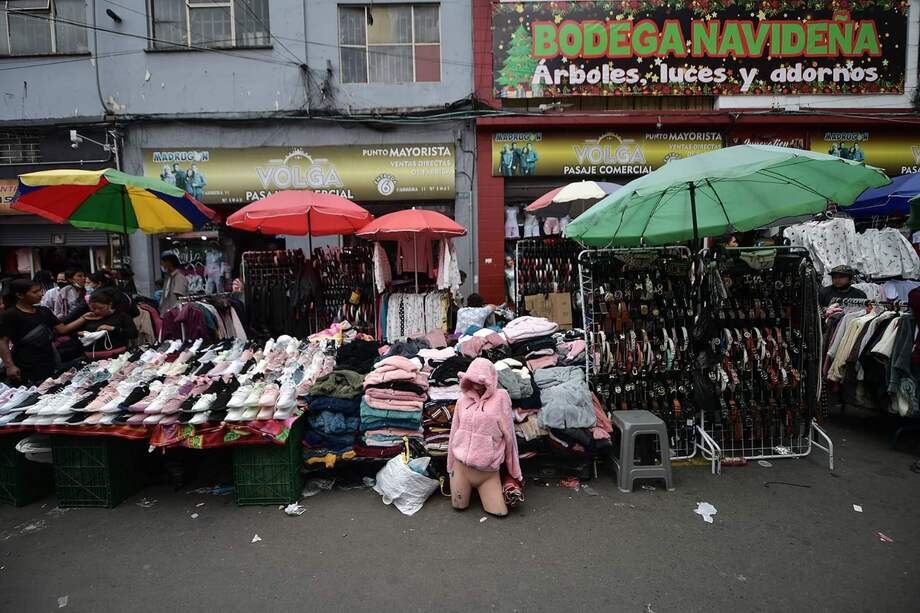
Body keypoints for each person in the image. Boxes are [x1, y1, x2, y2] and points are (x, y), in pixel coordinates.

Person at [0, 279, 96, 384]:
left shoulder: (44, 311)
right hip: (25, 362)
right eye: (35, 292)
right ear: (20, 295)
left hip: (49, 358)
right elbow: (3, 341)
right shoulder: (11, 315)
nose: (40, 294)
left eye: (40, 290)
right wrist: (10, 366)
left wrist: (83, 318)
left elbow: (63, 329)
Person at [74, 289, 138, 358]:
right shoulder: (88, 317)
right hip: (92, 357)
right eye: (93, 308)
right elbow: (73, 333)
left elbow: (133, 334)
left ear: (109, 304)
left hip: (117, 355)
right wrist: (81, 334)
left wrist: (113, 328)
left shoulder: (121, 316)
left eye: (100, 308)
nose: (97, 311)